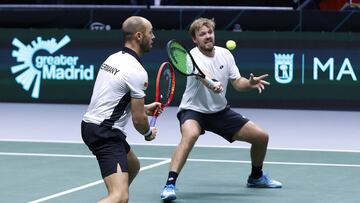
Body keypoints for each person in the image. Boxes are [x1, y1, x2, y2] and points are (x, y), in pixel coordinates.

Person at [160, 17, 282, 201]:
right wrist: (212, 84)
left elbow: (238, 83)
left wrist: (249, 83)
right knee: (190, 135)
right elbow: (203, 75)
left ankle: (256, 177)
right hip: (194, 110)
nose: (208, 36)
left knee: (261, 137)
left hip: (219, 111)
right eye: (202, 34)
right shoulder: (191, 56)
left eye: (210, 32)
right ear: (195, 39)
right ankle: (170, 184)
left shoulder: (225, 54)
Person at [81, 16, 161, 203]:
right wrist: (148, 133)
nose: (154, 36)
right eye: (151, 32)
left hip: (91, 124)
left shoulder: (114, 58)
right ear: (139, 36)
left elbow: (115, 96)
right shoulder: (137, 71)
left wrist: (145, 108)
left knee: (132, 165)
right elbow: (139, 121)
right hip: (105, 132)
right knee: (119, 196)